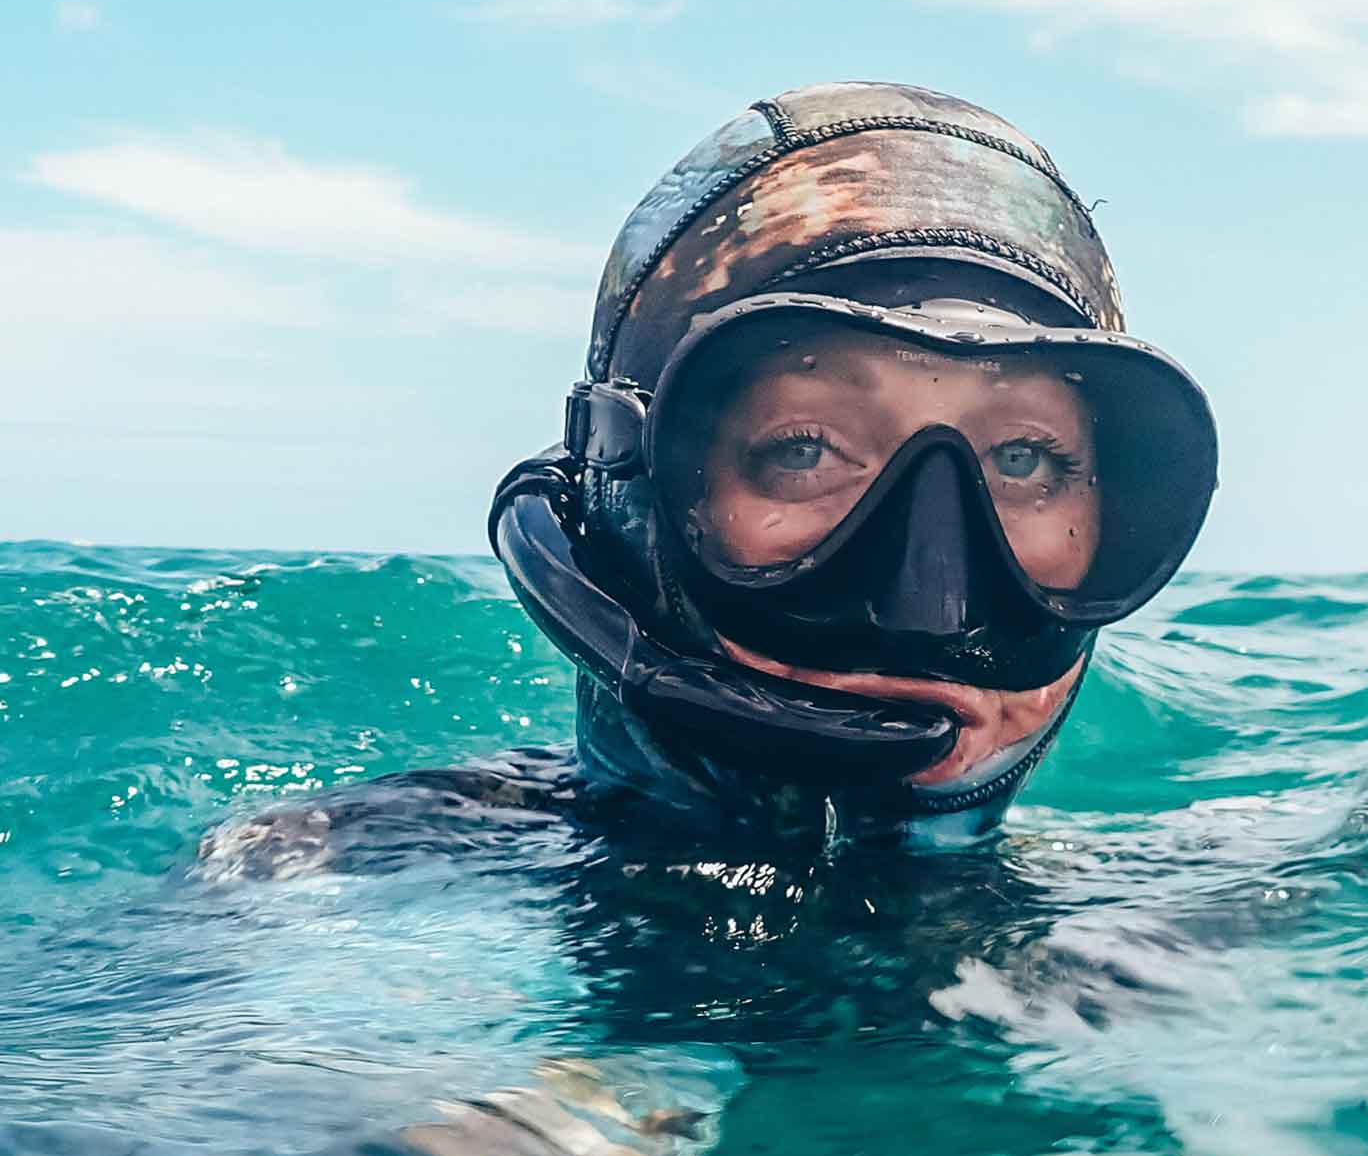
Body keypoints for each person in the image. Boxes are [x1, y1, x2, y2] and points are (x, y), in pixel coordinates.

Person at [199, 80, 1217, 877]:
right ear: (629, 499)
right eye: (803, 447)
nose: (930, 593)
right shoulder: (318, 871)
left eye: (1024, 460)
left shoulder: (1224, 920)